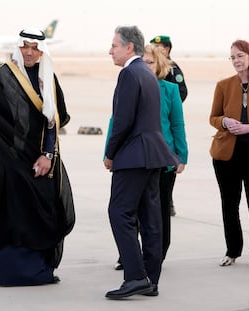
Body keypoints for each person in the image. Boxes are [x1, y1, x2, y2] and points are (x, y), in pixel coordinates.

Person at [0, 28, 75, 286]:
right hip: (8, 160)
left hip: (41, 161)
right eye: (25, 47)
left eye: (35, 48)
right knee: (7, 211)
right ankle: (3, 271)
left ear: (43, 50)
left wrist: (47, 155)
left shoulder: (49, 78)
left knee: (44, 211)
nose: (30, 53)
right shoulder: (5, 74)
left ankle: (41, 269)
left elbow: (54, 120)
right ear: (18, 47)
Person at [104, 25, 180, 299]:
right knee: (150, 218)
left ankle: (136, 276)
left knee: (120, 213)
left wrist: (110, 152)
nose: (109, 50)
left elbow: (122, 121)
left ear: (128, 47)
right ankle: (151, 278)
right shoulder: (147, 74)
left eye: (113, 45)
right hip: (153, 155)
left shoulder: (129, 74)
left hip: (134, 155)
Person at [209, 39, 249, 269]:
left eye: (240, 56)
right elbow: (213, 117)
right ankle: (232, 250)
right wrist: (224, 122)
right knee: (229, 204)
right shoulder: (224, 85)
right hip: (226, 155)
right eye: (232, 57)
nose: (236, 61)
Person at [150, 35, 188, 217]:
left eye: (162, 47)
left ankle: (168, 203)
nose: (159, 49)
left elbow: (182, 90)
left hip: (167, 125)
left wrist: (171, 106)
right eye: (155, 46)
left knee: (164, 190)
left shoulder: (173, 69)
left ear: (168, 49)